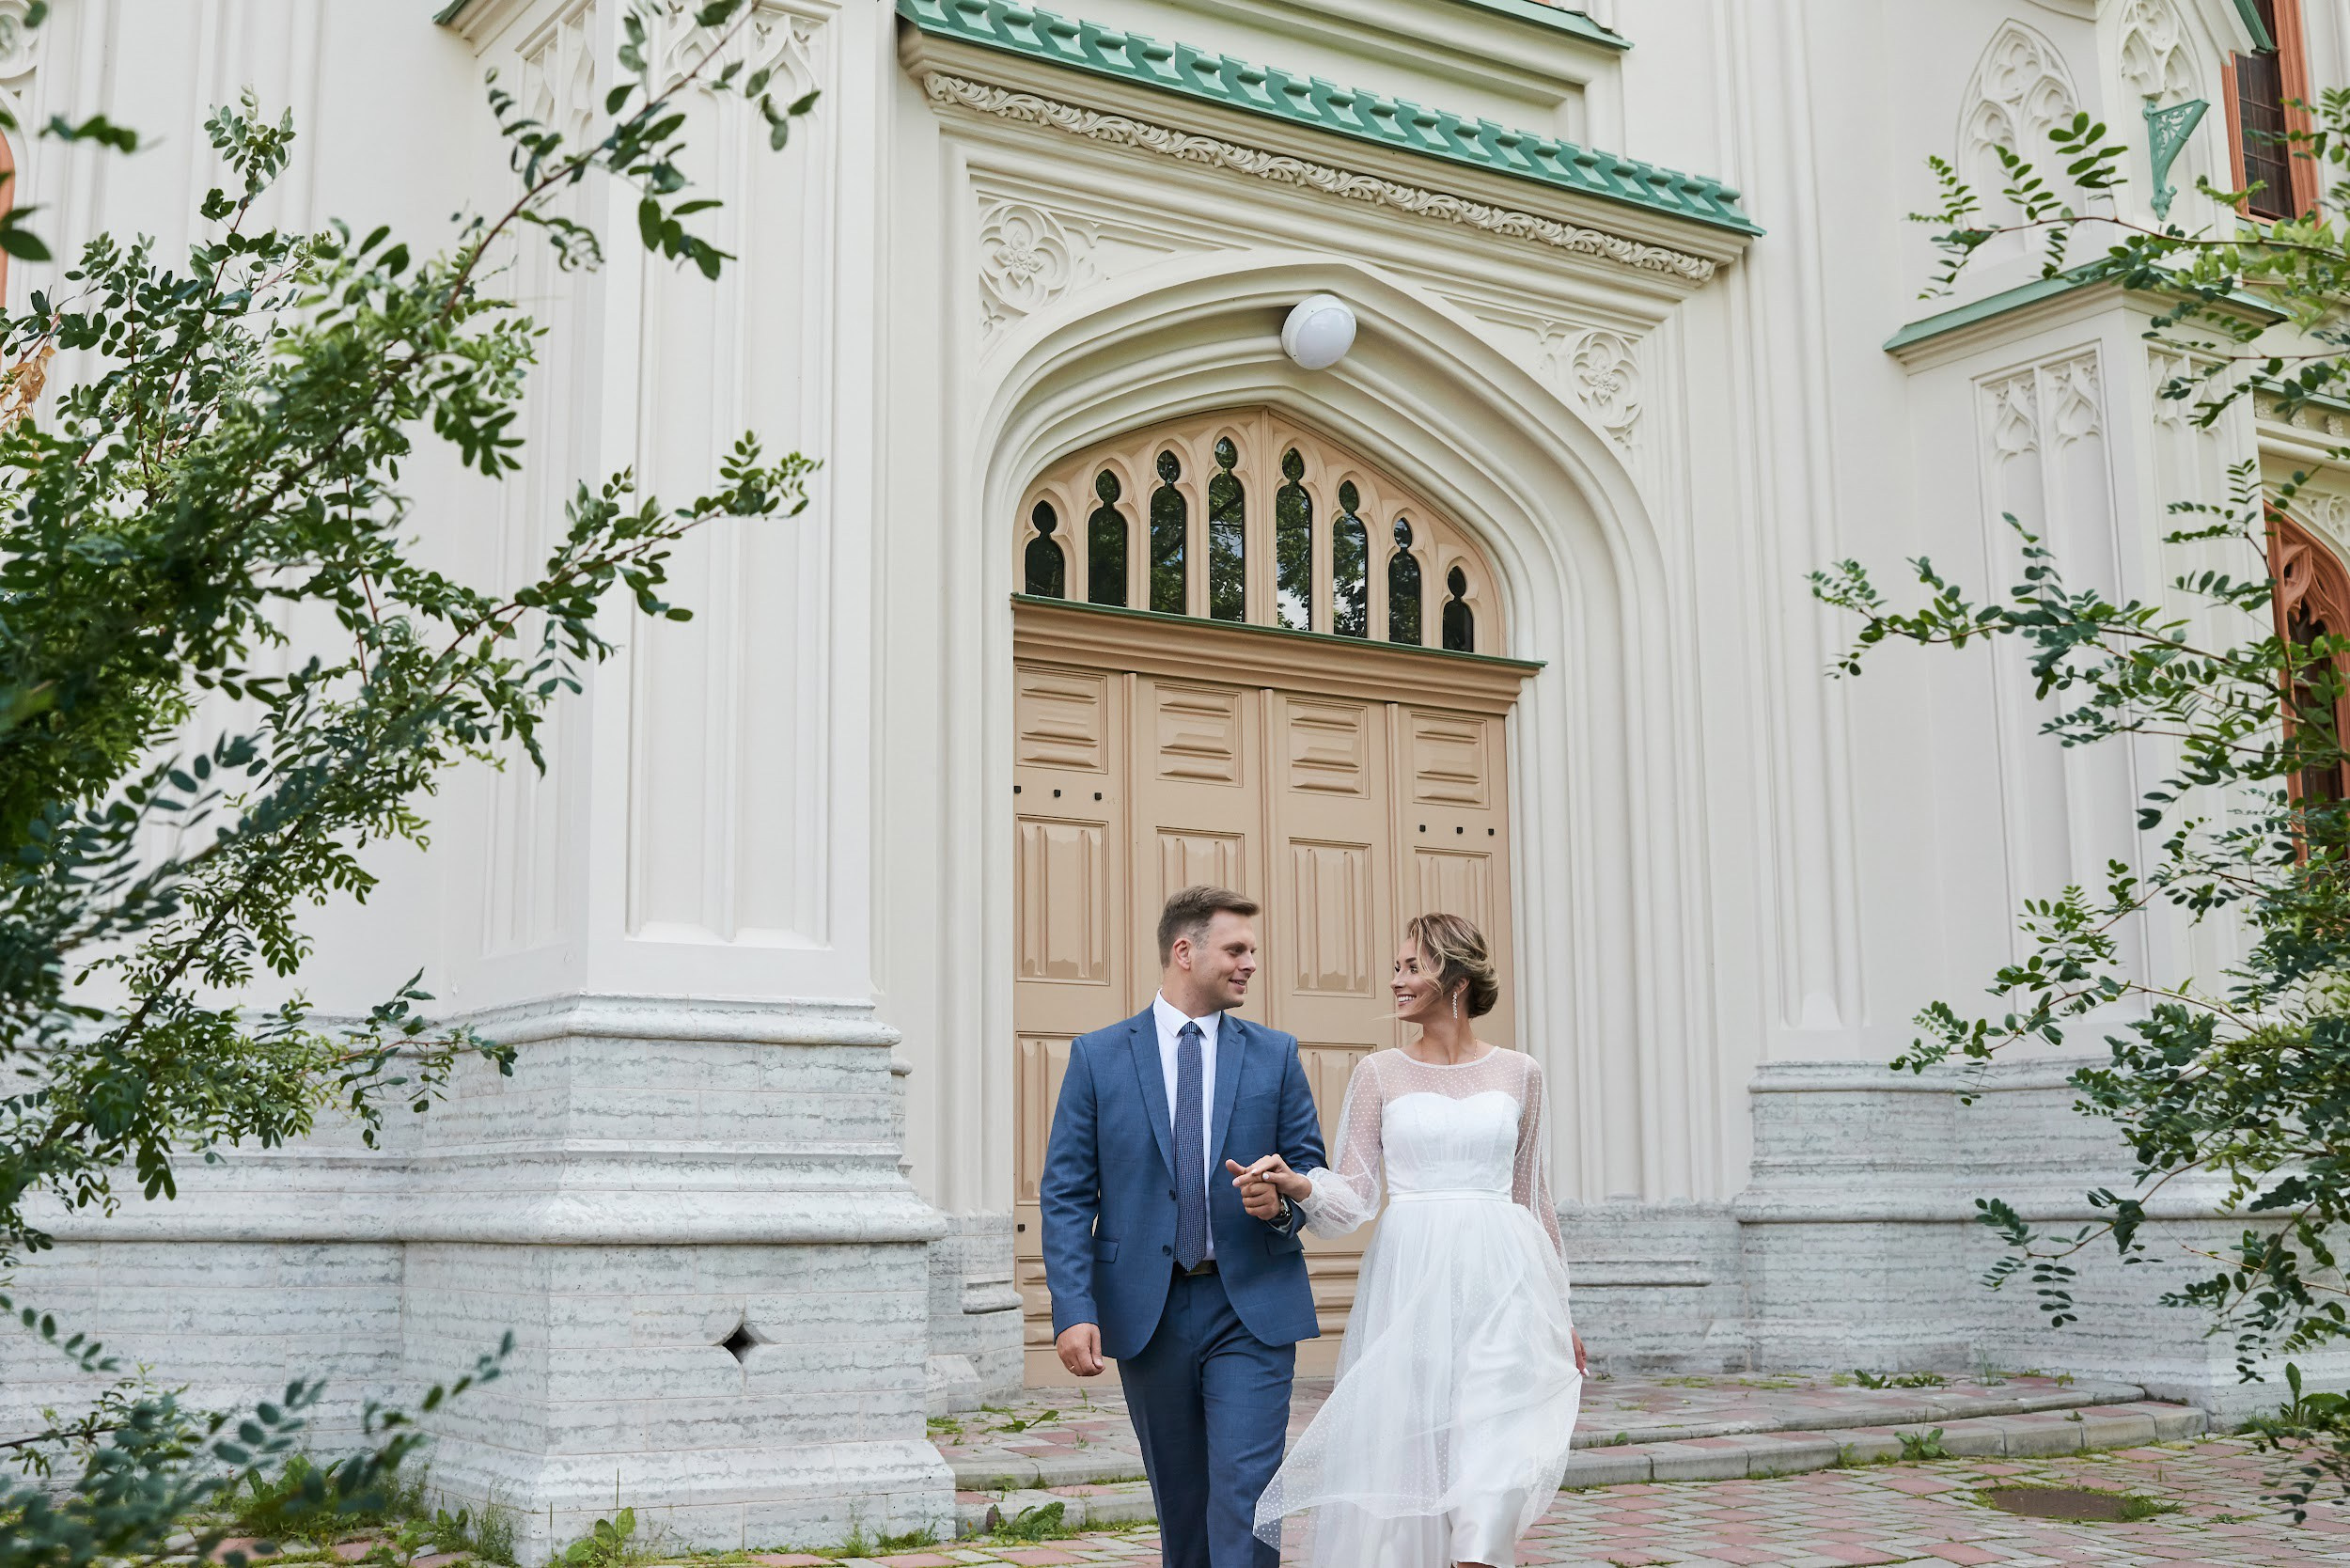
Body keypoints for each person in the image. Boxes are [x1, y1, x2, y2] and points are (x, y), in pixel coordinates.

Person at [1241, 912, 1586, 1568]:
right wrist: (1298, 1186)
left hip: (1505, 1281)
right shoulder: (1379, 1074)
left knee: (1492, 1450)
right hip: (1411, 1280)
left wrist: (1560, 1310)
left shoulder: (1521, 1073)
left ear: (1454, 977)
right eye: (1397, 967)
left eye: (1410, 967)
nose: (1395, 980)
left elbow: (1532, 1196)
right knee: (1410, 1448)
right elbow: (1356, 1196)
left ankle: (1478, 1555)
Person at [1038, 885, 1329, 1568]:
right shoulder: (1098, 1057)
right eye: (1236, 949)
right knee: (1182, 1500)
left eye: (1251, 951)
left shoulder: (1276, 1055)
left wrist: (1281, 1204)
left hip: (1250, 1304)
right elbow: (1067, 1194)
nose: (1249, 963)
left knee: (1248, 1494)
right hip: (1149, 1309)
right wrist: (1073, 1308)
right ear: (1183, 951)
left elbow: (1310, 1170)